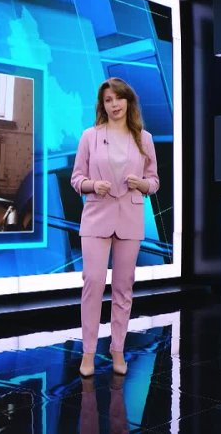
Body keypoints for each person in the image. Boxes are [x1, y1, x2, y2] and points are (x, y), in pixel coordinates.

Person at [70, 77, 160, 377]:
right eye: (108, 100)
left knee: (123, 287)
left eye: (119, 98)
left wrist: (142, 184)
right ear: (103, 105)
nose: (114, 104)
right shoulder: (90, 136)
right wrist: (93, 185)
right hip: (97, 216)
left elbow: (154, 182)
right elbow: (76, 178)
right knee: (93, 283)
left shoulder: (144, 139)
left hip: (129, 218)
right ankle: (88, 353)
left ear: (128, 101)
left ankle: (118, 349)